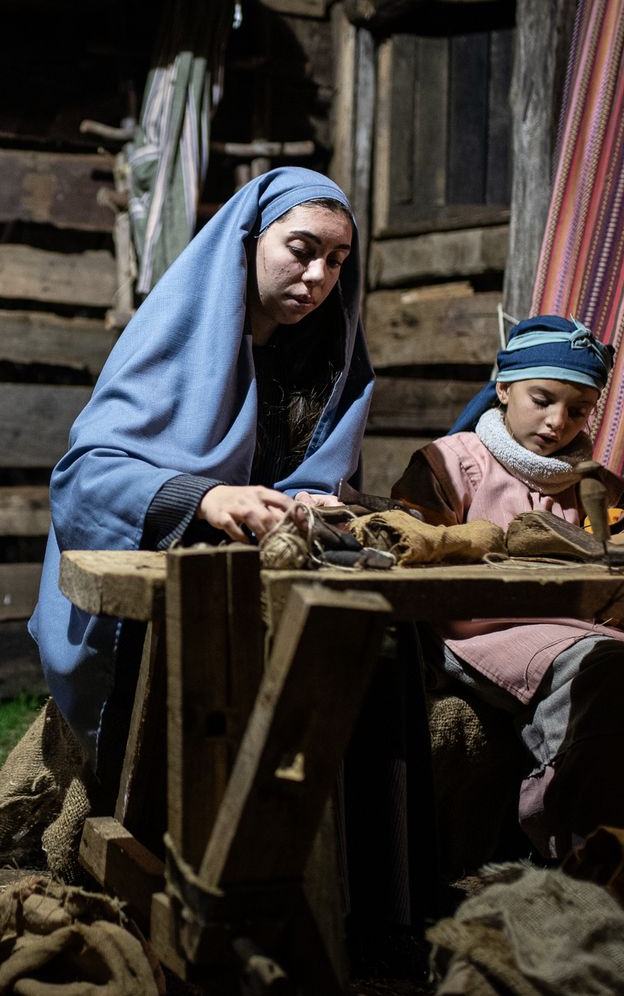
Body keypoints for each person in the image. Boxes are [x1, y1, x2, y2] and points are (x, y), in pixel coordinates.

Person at [29, 167, 374, 776]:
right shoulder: (177, 338)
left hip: (263, 574)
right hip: (158, 581)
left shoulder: (326, 361)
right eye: (301, 250)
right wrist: (207, 497)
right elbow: (86, 477)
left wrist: (315, 501)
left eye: (338, 260)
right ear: (249, 241)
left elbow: (317, 475)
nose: (319, 277)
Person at [392, 315, 624, 858]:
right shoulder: (449, 462)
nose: (558, 422)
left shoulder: (592, 482)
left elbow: (615, 552)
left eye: (578, 410)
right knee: (606, 670)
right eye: (541, 399)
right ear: (503, 387)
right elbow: (411, 547)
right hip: (475, 629)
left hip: (574, 625)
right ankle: (572, 849)